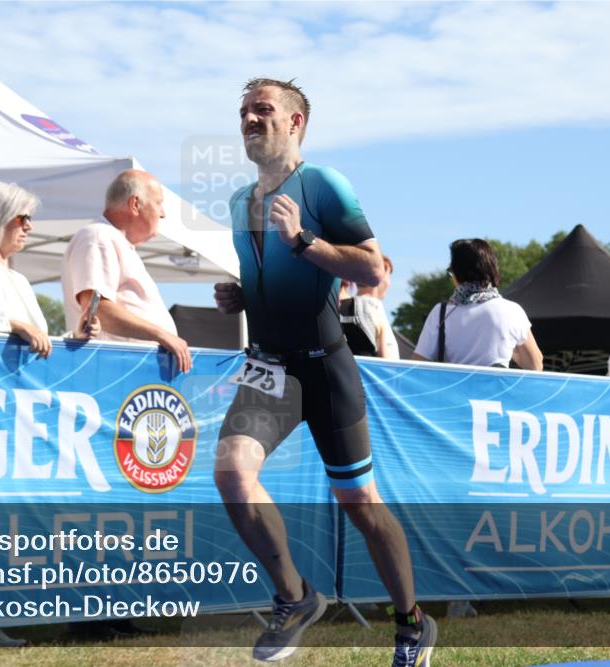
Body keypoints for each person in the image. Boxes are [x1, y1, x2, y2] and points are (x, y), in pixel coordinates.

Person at [213, 78, 435, 666]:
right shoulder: (238, 202)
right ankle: (295, 596)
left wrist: (304, 240)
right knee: (232, 472)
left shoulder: (323, 185)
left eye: (262, 109)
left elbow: (373, 269)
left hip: (324, 368)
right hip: (269, 369)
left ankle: (411, 622)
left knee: (360, 502)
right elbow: (272, 281)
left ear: (295, 123)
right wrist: (242, 295)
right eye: (243, 111)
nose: (249, 119)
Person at [0, 182, 97, 361]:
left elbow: (39, 342)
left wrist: (75, 336)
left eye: (30, 219)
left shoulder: (19, 280)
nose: (29, 226)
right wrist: (15, 326)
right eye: (22, 218)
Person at [61, 169, 191, 372]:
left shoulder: (112, 240)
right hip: (114, 371)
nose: (163, 213)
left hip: (127, 370)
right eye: (158, 203)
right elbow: (97, 310)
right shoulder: (99, 236)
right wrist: (161, 335)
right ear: (135, 204)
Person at [412, 239, 543, 370]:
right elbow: (536, 365)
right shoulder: (512, 311)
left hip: (455, 384)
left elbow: (417, 366)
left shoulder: (440, 313)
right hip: (495, 384)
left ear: (458, 273)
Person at [339, 255, 400, 359]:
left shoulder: (341, 307)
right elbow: (387, 359)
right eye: (389, 275)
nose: (389, 284)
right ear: (381, 275)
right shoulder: (374, 308)